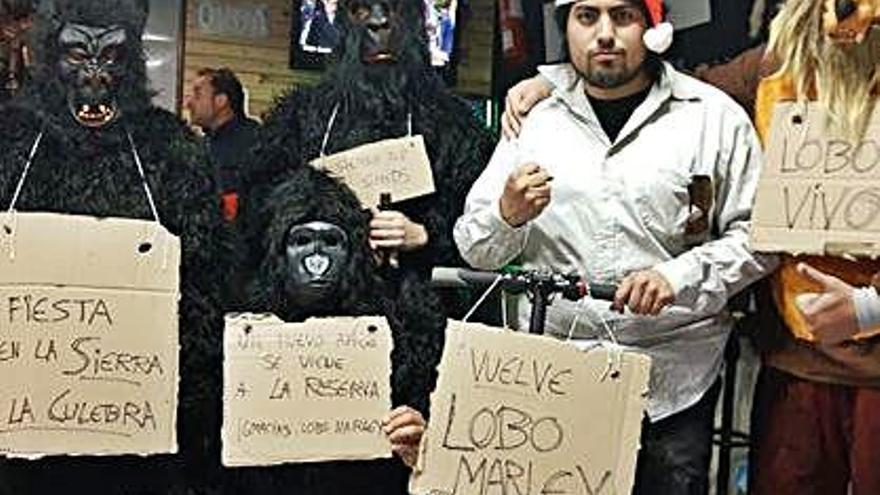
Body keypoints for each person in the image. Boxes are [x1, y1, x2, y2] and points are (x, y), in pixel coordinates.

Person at [454, 0, 776, 492]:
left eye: (623, 16)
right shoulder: (533, 120)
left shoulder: (713, 119)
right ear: (567, 29)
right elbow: (475, 248)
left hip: (672, 381)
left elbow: (759, 237)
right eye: (587, 17)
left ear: (653, 28)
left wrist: (677, 278)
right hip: (551, 379)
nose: (605, 34)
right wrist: (507, 215)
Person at [746, 2, 880, 493]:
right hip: (795, 363)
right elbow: (680, 86)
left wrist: (869, 308)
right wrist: (556, 81)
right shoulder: (778, 63)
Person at [186, 67, 261, 222]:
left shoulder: (256, 142)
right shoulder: (203, 144)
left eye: (197, 94)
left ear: (221, 101)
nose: (189, 103)